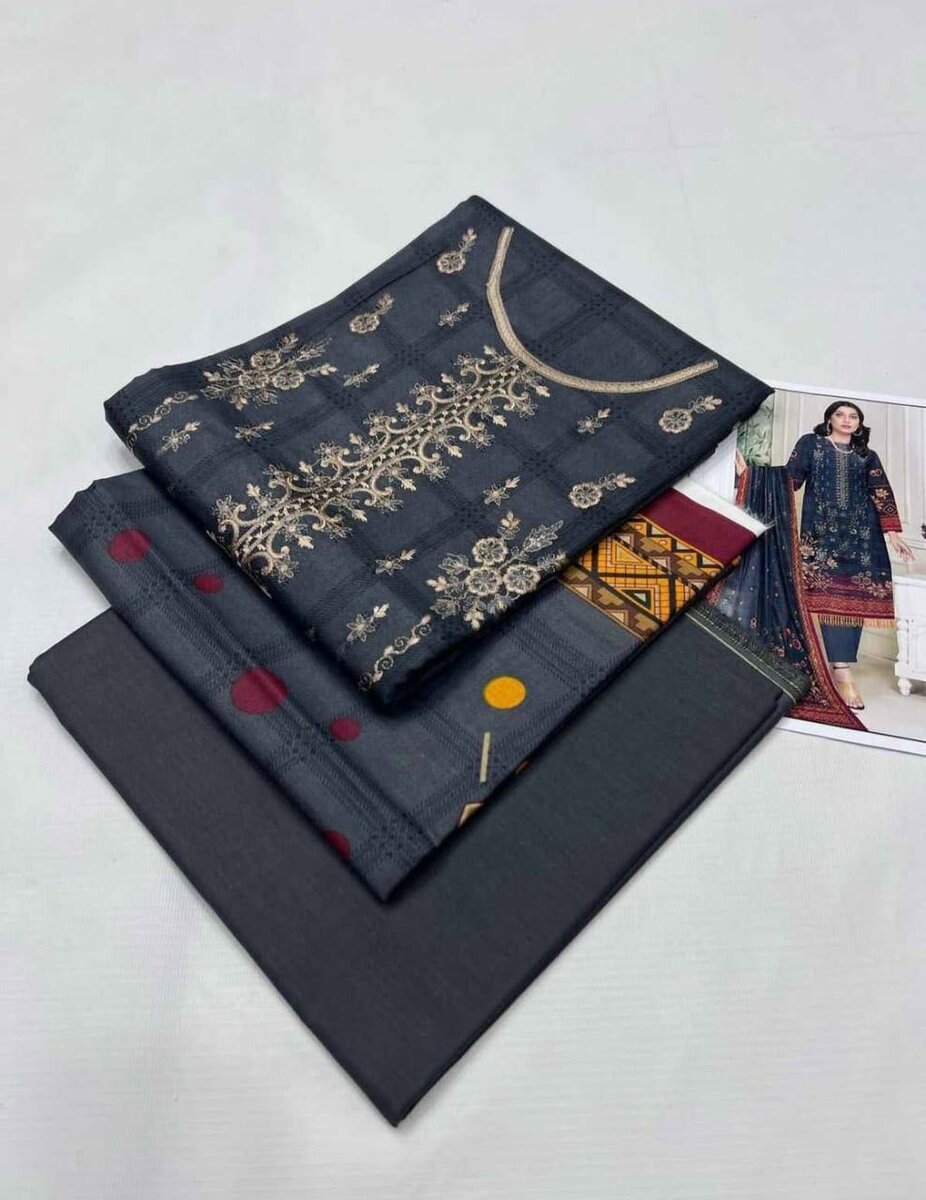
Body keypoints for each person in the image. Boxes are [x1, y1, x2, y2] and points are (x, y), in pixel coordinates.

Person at [736, 401, 912, 710]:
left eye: (853, 416)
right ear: (829, 419)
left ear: (859, 423)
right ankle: (838, 671)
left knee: (854, 601)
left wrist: (893, 534)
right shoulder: (811, 445)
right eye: (840, 415)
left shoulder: (867, 455)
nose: (847, 420)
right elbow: (789, 480)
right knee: (828, 600)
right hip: (821, 539)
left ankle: (842, 667)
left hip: (863, 539)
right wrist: (751, 476)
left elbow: (880, 492)